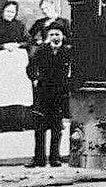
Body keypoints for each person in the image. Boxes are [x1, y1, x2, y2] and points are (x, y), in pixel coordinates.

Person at [27, 23, 73, 168]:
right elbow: (30, 67)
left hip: (59, 94)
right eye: (52, 34)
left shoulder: (67, 52)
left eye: (57, 34)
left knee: (56, 127)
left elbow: (73, 70)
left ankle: (55, 158)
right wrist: (35, 78)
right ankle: (39, 159)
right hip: (43, 92)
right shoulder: (42, 51)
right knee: (39, 128)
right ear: (48, 36)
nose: (55, 37)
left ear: (63, 36)